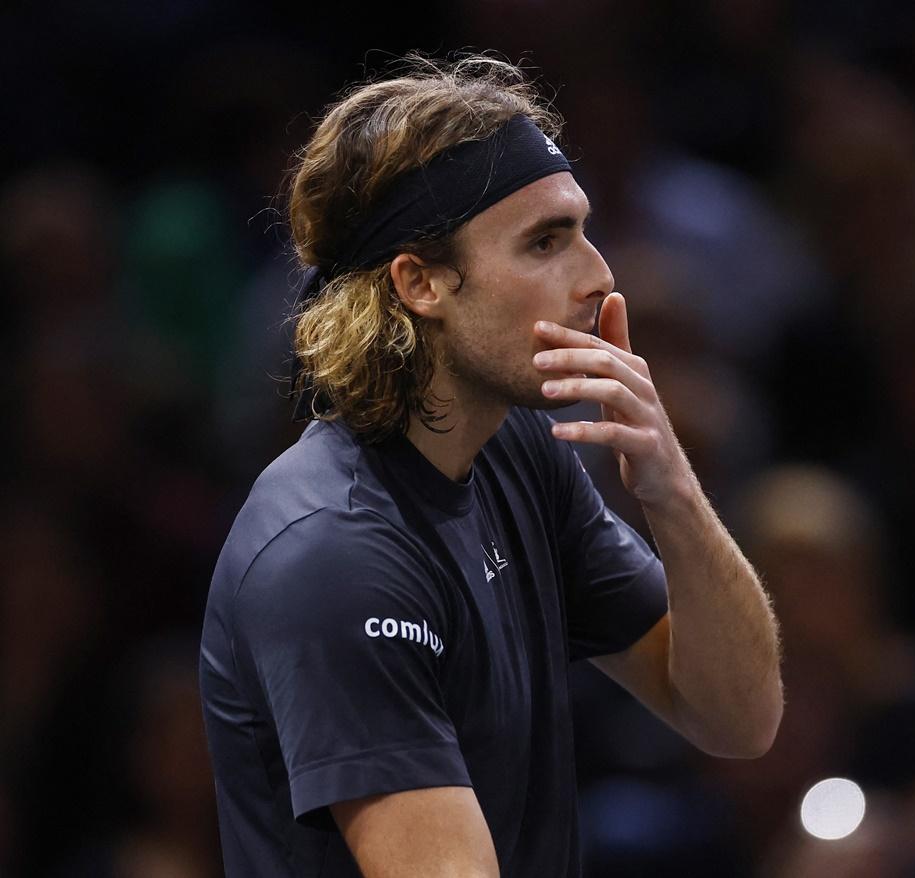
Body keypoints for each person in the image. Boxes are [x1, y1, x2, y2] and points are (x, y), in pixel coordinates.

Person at [198, 55, 782, 877]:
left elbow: (736, 717)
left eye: (583, 228)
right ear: (422, 282)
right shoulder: (333, 553)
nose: (599, 275)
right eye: (545, 243)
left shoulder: (515, 453)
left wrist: (673, 492)